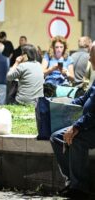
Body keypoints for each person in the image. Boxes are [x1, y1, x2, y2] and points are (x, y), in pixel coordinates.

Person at [49, 43, 95, 199]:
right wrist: (60, 104)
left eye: (91, 54)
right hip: (89, 125)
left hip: (91, 126)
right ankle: (72, 182)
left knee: (76, 139)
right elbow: (84, 99)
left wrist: (76, 127)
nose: (89, 58)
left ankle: (80, 187)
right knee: (56, 137)